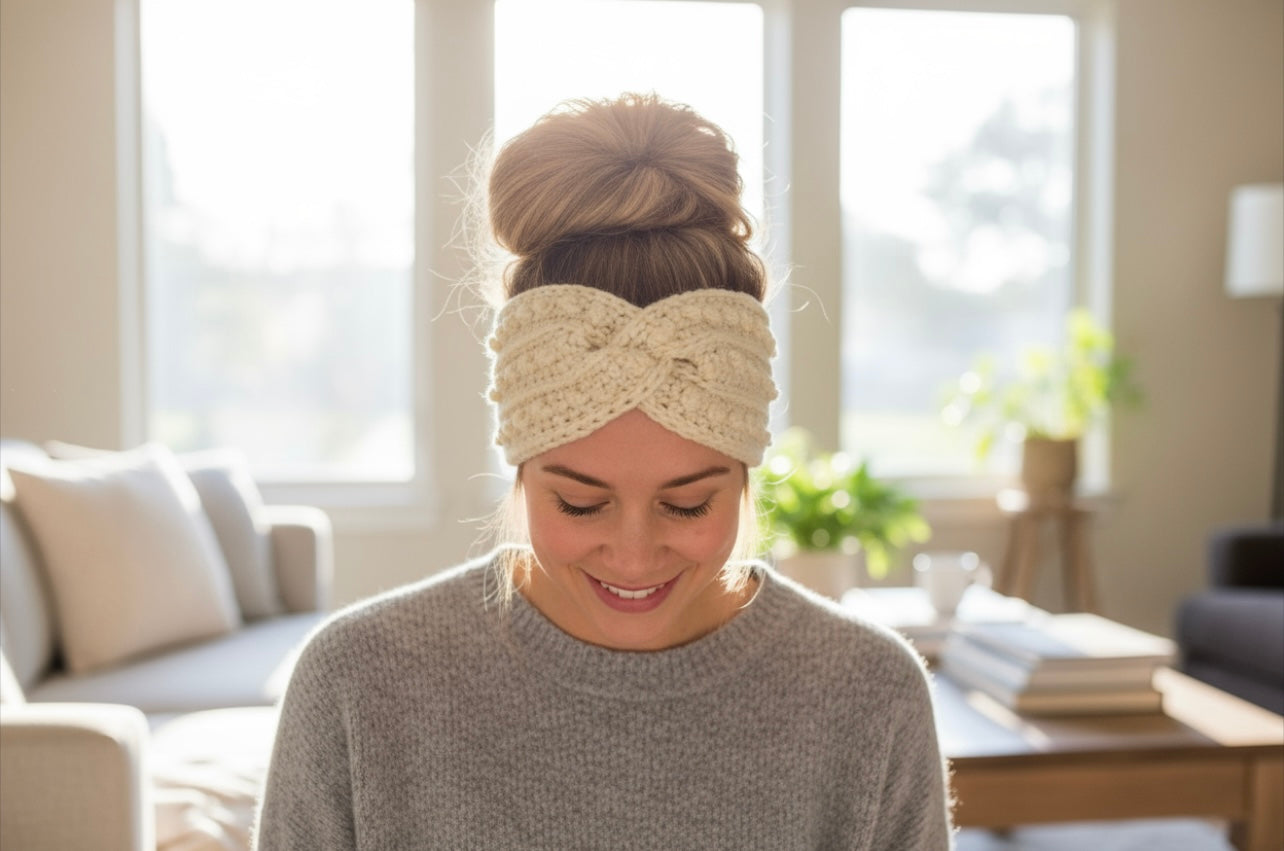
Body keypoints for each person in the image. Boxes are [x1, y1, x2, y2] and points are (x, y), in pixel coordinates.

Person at [254, 93, 953, 850]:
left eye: (688, 504)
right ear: (520, 471)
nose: (633, 555)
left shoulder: (869, 694)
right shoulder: (358, 683)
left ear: (746, 475)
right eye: (580, 503)